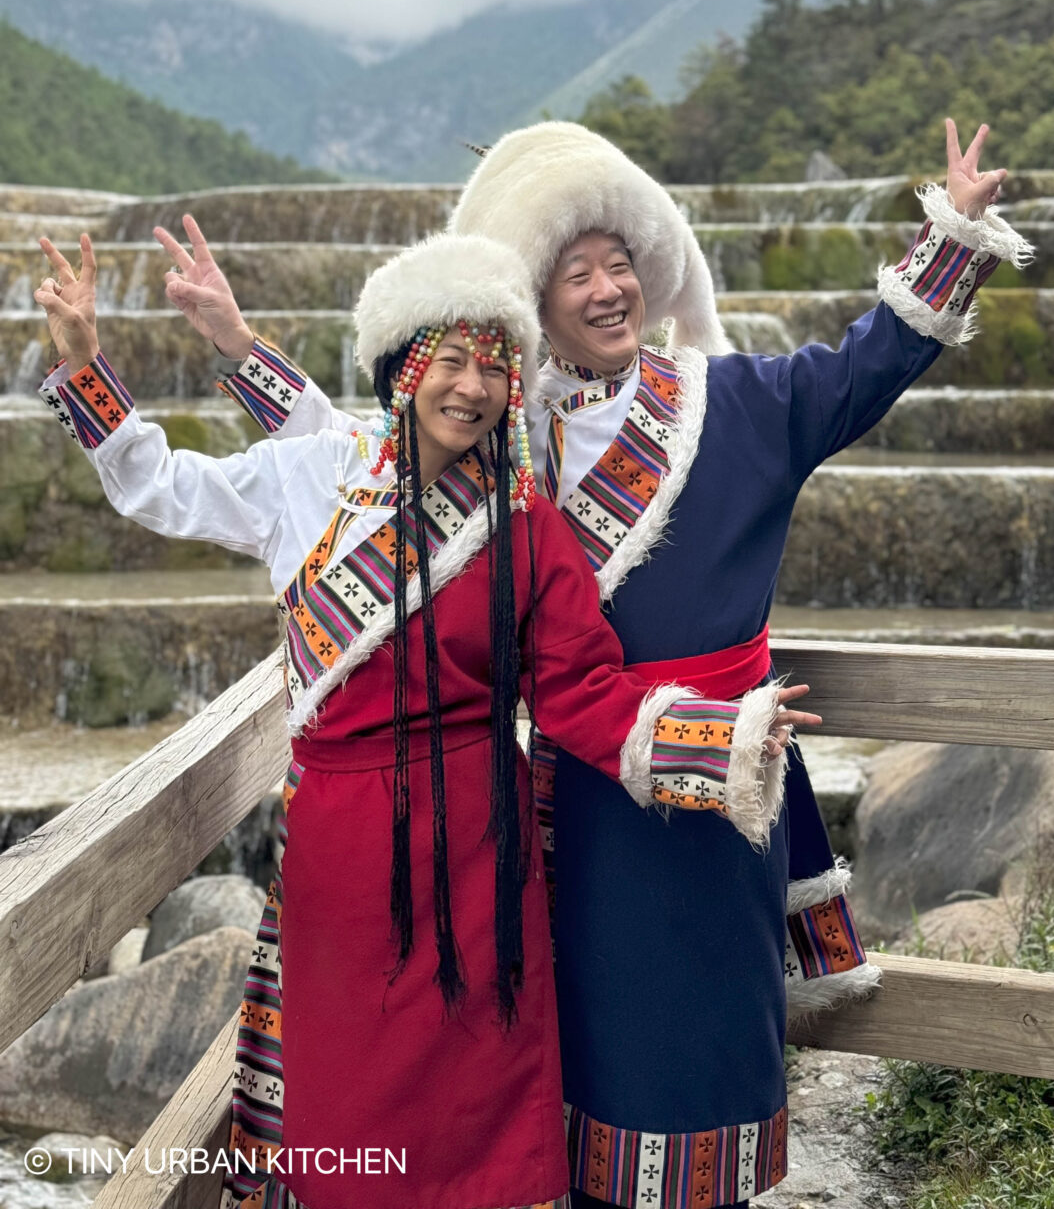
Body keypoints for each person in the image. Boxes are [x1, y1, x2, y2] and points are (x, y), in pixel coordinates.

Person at [152, 119, 1033, 1209]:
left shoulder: (742, 401)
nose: (608, 288)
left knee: (698, 1070)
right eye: (578, 272)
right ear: (542, 299)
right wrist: (240, 347)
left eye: (622, 264)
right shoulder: (511, 438)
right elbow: (361, 448)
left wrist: (953, 234)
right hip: (565, 806)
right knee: (560, 1074)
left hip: (714, 803)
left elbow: (866, 365)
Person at [34, 229, 809, 1209]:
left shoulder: (523, 519)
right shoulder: (315, 476)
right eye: (451, 361)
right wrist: (84, 365)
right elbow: (159, 484)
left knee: (470, 1113)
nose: (473, 388)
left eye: (495, 368)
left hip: (478, 858)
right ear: (408, 368)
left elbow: (579, 692)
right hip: (339, 860)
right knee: (349, 1098)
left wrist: (723, 737)